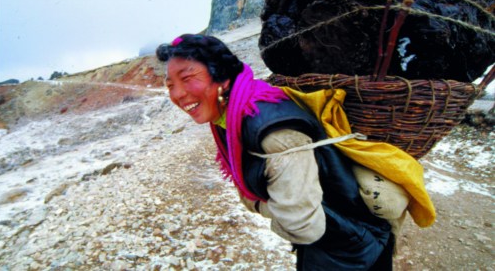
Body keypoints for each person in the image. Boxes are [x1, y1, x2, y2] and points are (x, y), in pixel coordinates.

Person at [156, 34, 435, 270]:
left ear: (223, 78)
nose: (178, 94)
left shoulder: (276, 133)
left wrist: (258, 205)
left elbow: (304, 227)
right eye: (170, 85)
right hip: (334, 242)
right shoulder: (229, 117)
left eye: (188, 78)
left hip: (352, 251)